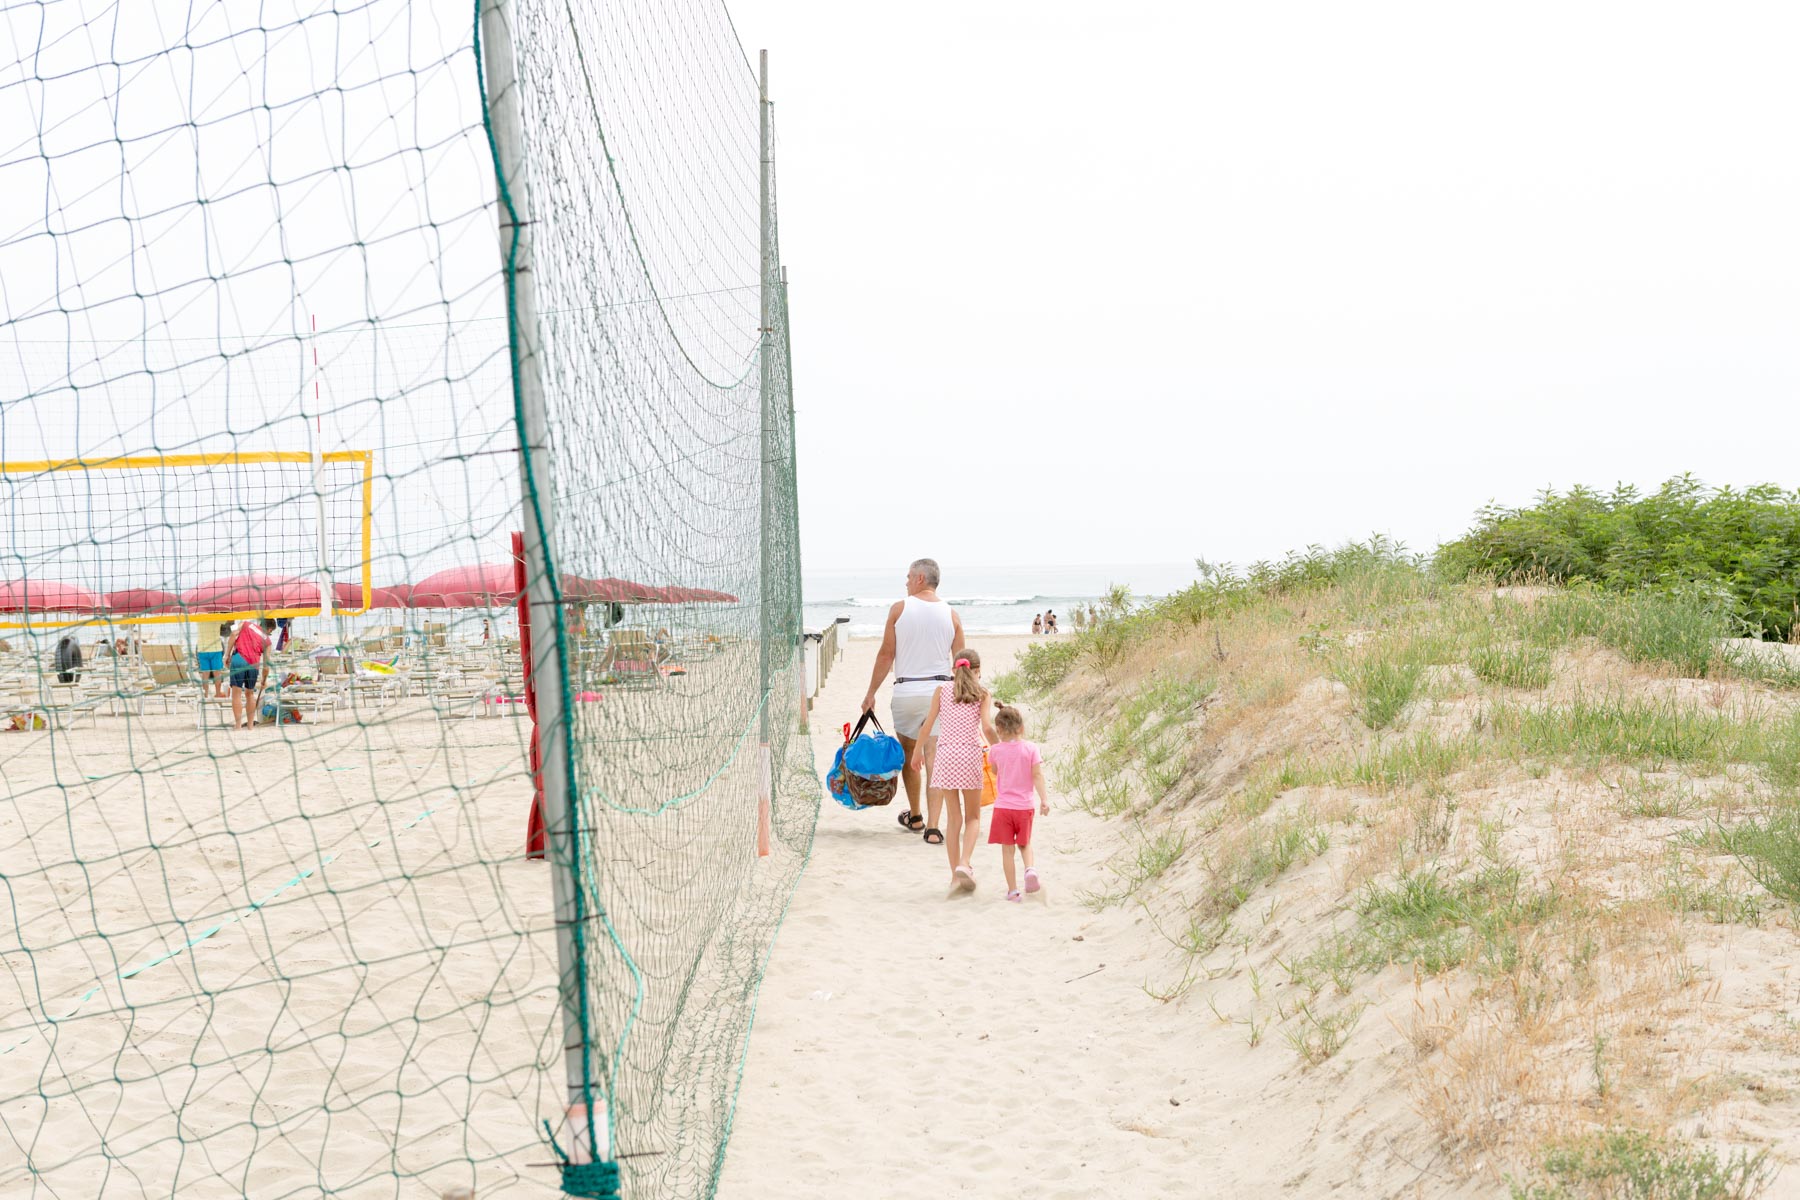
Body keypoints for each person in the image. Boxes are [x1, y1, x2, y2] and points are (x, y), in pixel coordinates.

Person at [862, 558, 964, 840]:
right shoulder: (952, 615)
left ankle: (915, 816)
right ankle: (933, 827)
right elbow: (961, 663)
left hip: (907, 692)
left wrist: (871, 693)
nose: (905, 582)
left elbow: (886, 654)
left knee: (910, 756)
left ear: (920, 578)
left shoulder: (899, 609)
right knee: (933, 757)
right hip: (940, 694)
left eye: (908, 577)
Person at [909, 649, 996, 893]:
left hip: (945, 756)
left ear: (953, 670)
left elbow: (927, 725)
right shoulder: (982, 694)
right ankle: (965, 863)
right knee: (973, 818)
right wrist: (1000, 749)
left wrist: (917, 753)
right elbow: (988, 729)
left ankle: (954, 877)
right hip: (969, 755)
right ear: (977, 671)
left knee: (953, 818)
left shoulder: (942, 691)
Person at [988, 703, 1050, 901]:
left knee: (1007, 850)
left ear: (999, 730)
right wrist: (1044, 800)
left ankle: (1013, 891)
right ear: (1021, 728)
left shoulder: (995, 751)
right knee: (1025, 844)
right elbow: (1037, 776)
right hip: (1024, 806)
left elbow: (995, 771)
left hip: (1003, 807)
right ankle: (1030, 869)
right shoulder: (1031, 749)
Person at [229, 617, 277, 730]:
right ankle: (250, 726)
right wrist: (264, 680)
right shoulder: (268, 642)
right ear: (269, 629)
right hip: (253, 665)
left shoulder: (245, 623)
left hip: (238, 659)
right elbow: (266, 667)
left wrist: (226, 655)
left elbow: (232, 633)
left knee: (236, 694)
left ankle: (238, 726)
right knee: (249, 694)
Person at [196, 621, 230, 699]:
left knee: (205, 674)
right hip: (216, 649)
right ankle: (218, 693)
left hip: (202, 648)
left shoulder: (198, 616)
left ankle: (205, 695)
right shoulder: (216, 616)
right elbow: (227, 620)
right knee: (217, 673)